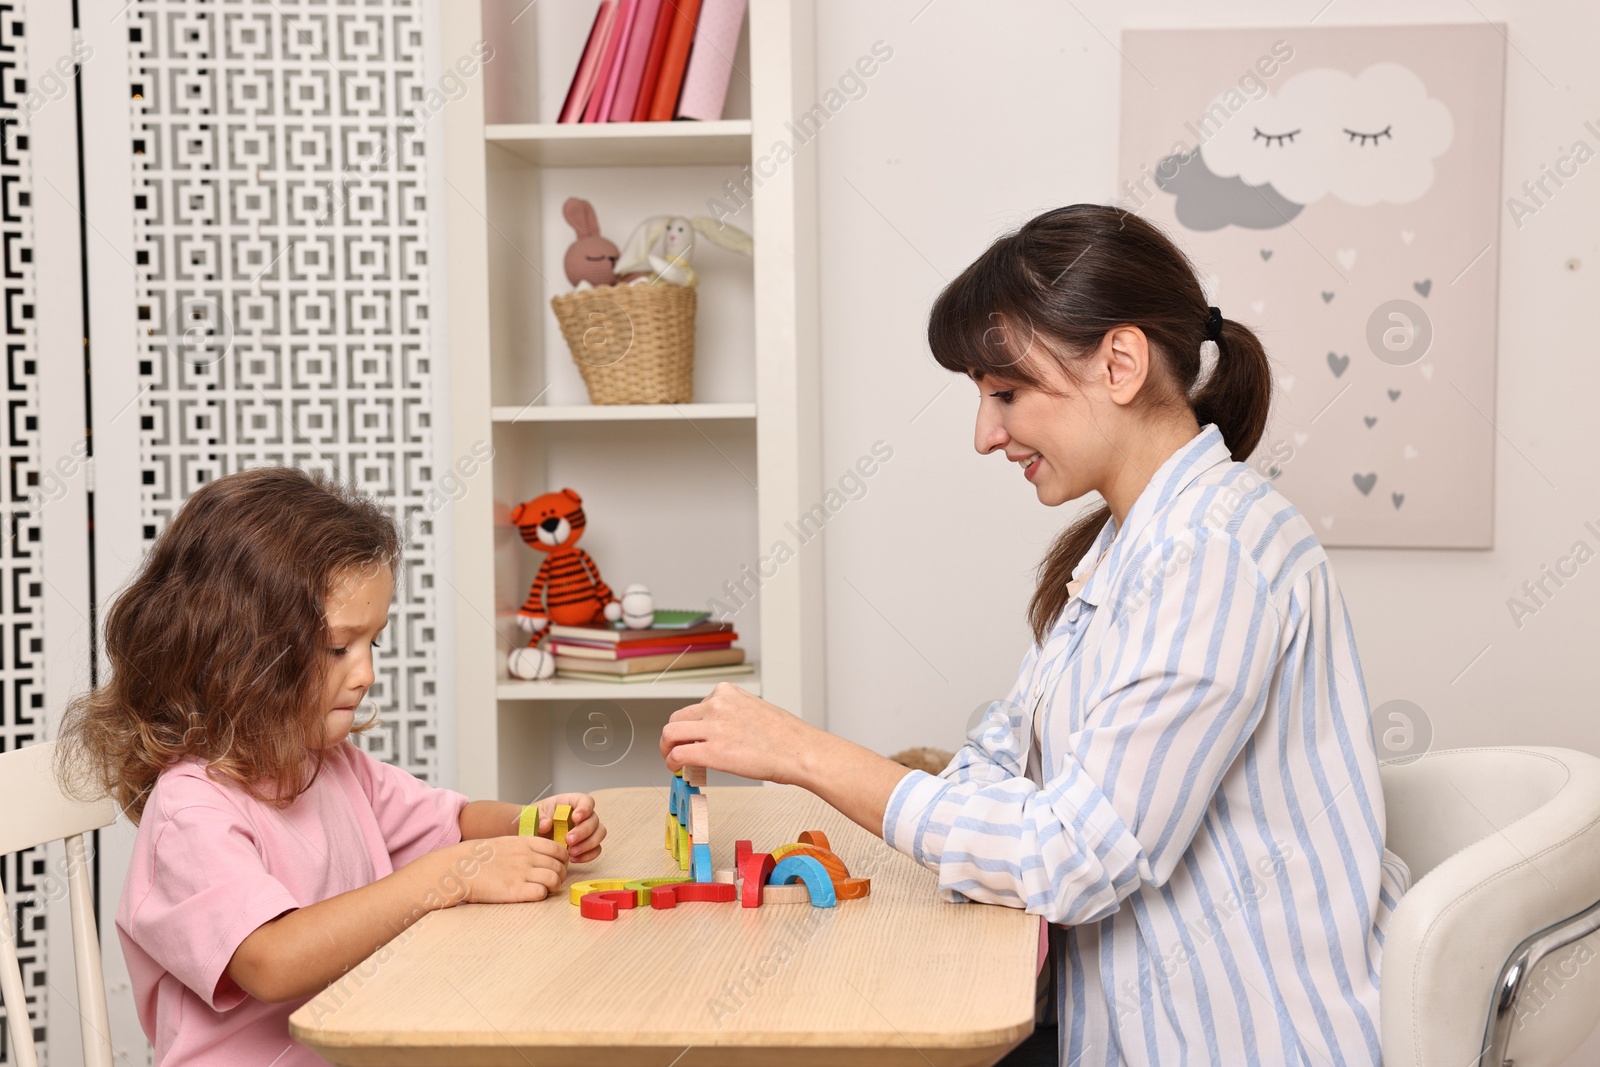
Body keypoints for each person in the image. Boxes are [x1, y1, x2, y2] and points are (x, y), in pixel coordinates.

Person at [660, 204, 1410, 1066]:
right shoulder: (1133, 547)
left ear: (1120, 363)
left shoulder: (1215, 554)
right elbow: (999, 756)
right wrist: (982, 811)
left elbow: (1074, 856)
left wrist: (807, 754)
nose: (985, 435)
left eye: (1005, 393)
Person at [55, 467, 607, 1066]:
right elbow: (271, 959)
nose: (365, 673)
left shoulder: (333, 766)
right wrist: (449, 877)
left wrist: (533, 823)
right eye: (338, 647)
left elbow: (459, 822)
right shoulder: (191, 809)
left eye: (374, 643)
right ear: (237, 649)